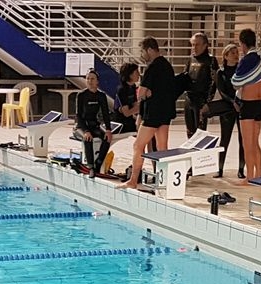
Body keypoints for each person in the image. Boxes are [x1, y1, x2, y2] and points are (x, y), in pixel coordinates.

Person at [120, 38, 177, 191]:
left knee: (138, 146)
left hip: (152, 115)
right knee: (162, 148)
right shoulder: (167, 66)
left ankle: (133, 180)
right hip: (165, 113)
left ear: (150, 50)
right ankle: (164, 182)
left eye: (142, 51)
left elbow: (141, 94)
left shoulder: (152, 68)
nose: (142, 55)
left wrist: (145, 93)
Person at [232, 28, 261, 183]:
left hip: (249, 104)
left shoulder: (246, 60)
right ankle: (258, 174)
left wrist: (249, 84)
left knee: (248, 143)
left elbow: (236, 82)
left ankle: (250, 177)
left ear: (242, 44)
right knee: (255, 141)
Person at [214, 43, 246, 179]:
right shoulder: (221, 72)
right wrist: (233, 102)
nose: (236, 55)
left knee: (242, 139)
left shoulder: (241, 70)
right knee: (225, 139)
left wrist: (239, 102)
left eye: (237, 52)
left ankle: (241, 169)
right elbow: (222, 91)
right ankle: (220, 169)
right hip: (228, 108)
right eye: (232, 53)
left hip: (241, 107)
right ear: (226, 56)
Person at [74, 69, 114, 174]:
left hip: (93, 125)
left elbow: (105, 114)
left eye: (92, 79)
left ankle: (98, 163)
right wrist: (86, 131)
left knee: (107, 138)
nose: (89, 81)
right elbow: (78, 116)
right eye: (88, 79)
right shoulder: (81, 95)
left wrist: (108, 130)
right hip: (81, 126)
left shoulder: (101, 96)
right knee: (88, 138)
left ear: (97, 81)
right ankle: (90, 166)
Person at [181, 33, 218, 137]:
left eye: (197, 44)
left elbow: (214, 82)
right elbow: (184, 77)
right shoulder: (190, 59)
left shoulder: (211, 60)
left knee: (200, 134)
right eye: (192, 44)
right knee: (190, 133)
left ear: (205, 45)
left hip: (201, 101)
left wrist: (207, 102)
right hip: (189, 100)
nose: (194, 47)